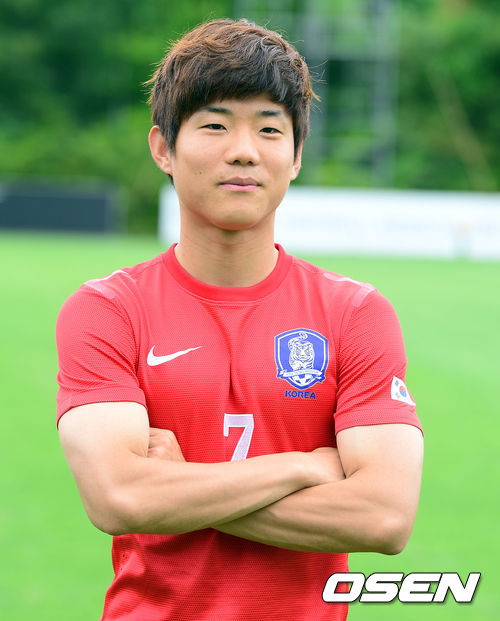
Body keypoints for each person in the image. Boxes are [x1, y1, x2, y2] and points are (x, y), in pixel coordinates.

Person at [56, 18, 423, 621]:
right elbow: (119, 498)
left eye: (270, 129)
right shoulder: (108, 310)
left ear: (296, 156)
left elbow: (384, 516)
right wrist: (303, 466)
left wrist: (179, 488)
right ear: (163, 148)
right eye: (216, 125)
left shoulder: (356, 313)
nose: (245, 150)